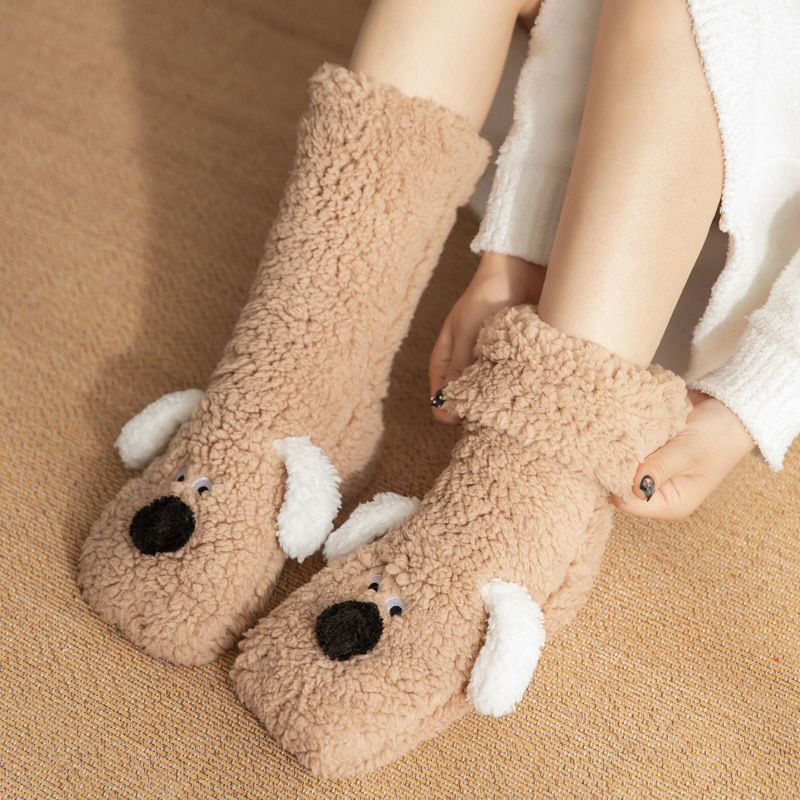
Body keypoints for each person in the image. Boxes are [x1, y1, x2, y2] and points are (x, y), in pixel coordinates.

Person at [81, 0, 800, 776]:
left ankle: (529, 484)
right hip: (577, 113)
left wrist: (760, 392)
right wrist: (519, 249)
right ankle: (302, 367)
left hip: (714, 191)